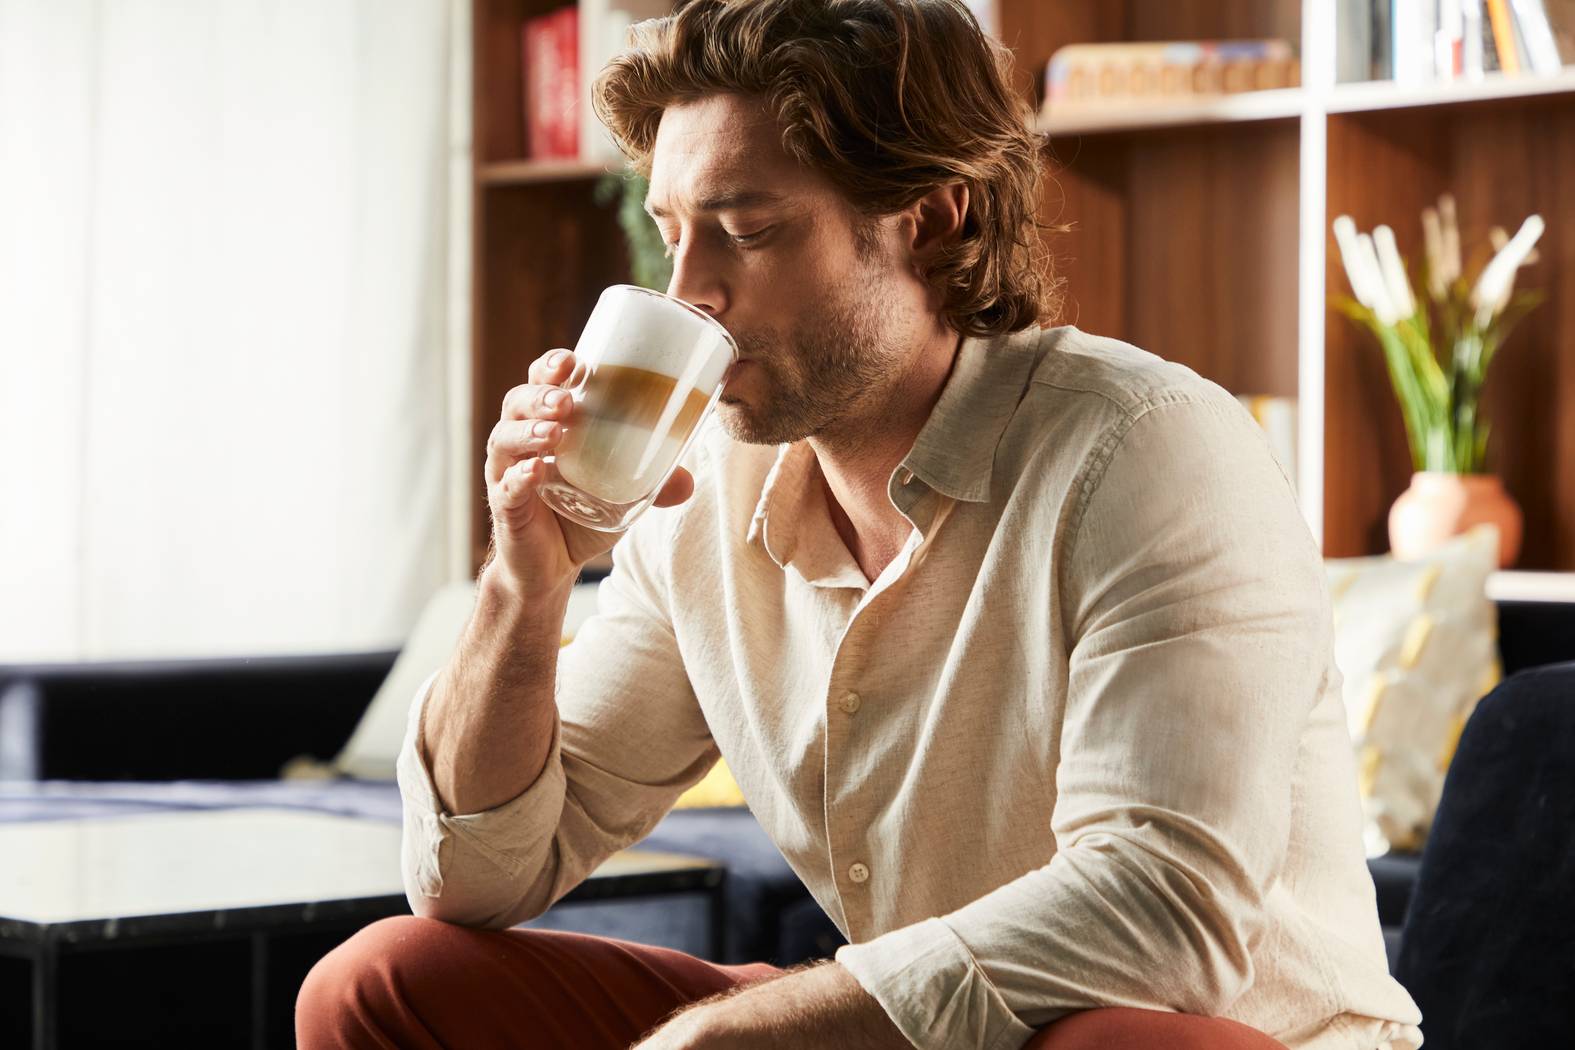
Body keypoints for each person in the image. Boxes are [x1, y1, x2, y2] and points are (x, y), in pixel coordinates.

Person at [297, 1, 1423, 1047]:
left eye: (748, 230)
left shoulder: (1153, 450)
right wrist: (523, 584)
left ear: (931, 221)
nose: (689, 290)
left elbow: (1165, 919)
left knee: (1104, 1043)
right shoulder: (703, 499)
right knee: (385, 985)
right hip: (922, 1028)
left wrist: (735, 1036)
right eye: (671, 229)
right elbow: (478, 879)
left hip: (1203, 1029)